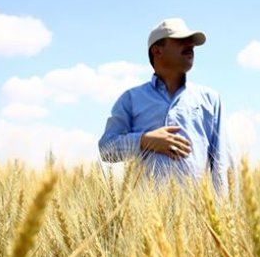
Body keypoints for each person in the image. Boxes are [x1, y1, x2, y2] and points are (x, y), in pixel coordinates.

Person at [98, 17, 230, 193]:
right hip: (147, 216)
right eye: (181, 40)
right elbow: (106, 149)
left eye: (191, 41)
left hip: (198, 216)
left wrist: (224, 215)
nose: (190, 44)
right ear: (157, 51)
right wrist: (144, 141)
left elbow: (221, 163)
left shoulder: (210, 99)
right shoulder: (130, 99)